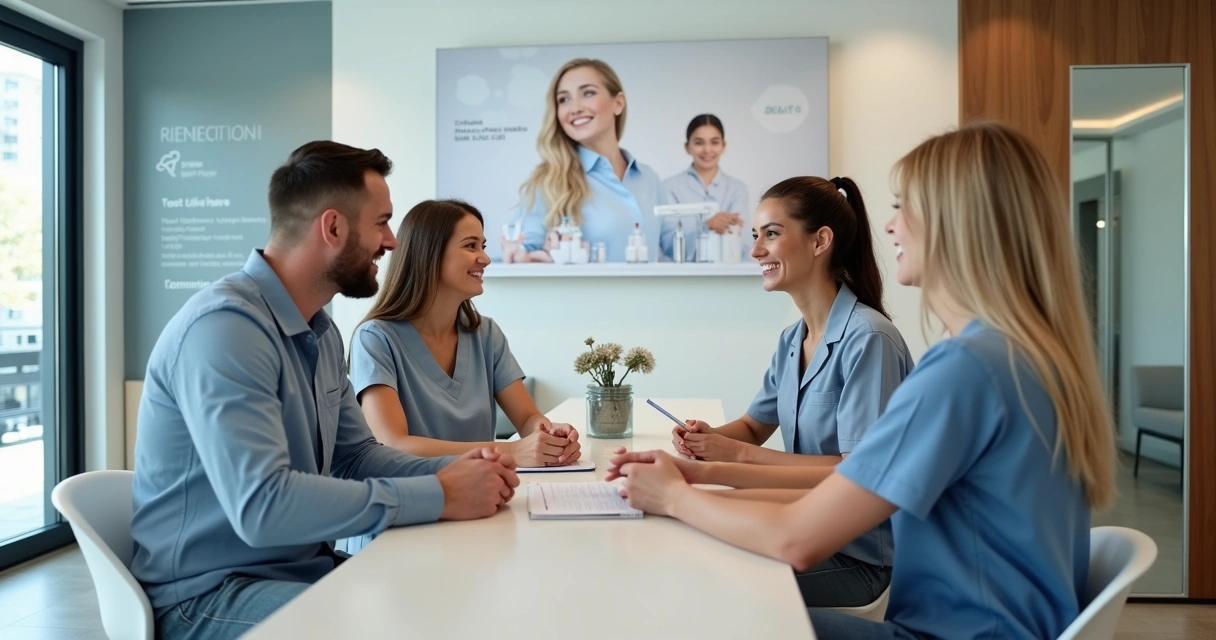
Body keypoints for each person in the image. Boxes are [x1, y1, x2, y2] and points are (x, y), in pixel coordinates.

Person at [610, 122, 1118, 639]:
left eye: (904, 207)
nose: (891, 227)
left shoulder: (964, 371)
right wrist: (690, 480)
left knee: (704, 610)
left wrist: (675, 497)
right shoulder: (1016, 357)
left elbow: (797, 538)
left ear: (961, 223)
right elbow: (832, 489)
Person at [129, 142, 520, 640]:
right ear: (333, 228)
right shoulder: (226, 329)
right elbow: (263, 507)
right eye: (381, 222)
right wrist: (439, 493)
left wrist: (466, 470)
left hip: (300, 570)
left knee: (453, 599)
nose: (392, 242)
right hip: (210, 595)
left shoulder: (321, 332)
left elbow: (356, 457)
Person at [671, 175, 914, 608]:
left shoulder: (869, 339)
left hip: (860, 558)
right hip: (804, 525)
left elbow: (858, 472)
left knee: (711, 589)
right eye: (754, 235)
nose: (756, 250)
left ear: (820, 241)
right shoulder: (791, 340)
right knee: (692, 560)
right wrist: (707, 438)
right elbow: (752, 426)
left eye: (772, 234)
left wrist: (732, 458)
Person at [349, 199, 581, 466]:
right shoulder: (375, 340)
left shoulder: (486, 334)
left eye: (482, 246)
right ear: (430, 253)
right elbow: (393, 444)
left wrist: (548, 435)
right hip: (416, 499)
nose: (485, 258)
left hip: (485, 495)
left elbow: (528, 418)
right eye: (471, 246)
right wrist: (512, 451)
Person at [505, 58, 667, 263]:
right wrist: (522, 256)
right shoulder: (547, 182)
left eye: (588, 93)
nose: (575, 108)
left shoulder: (648, 178)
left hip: (651, 295)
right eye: (564, 99)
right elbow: (526, 252)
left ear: (618, 103)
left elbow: (679, 248)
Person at [660, 114, 750, 262]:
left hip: (730, 278)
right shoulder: (670, 187)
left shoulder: (737, 189)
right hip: (685, 278)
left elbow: (743, 240)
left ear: (723, 146)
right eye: (699, 143)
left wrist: (694, 230)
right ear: (687, 147)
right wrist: (707, 225)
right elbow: (668, 243)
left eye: (714, 142)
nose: (707, 149)